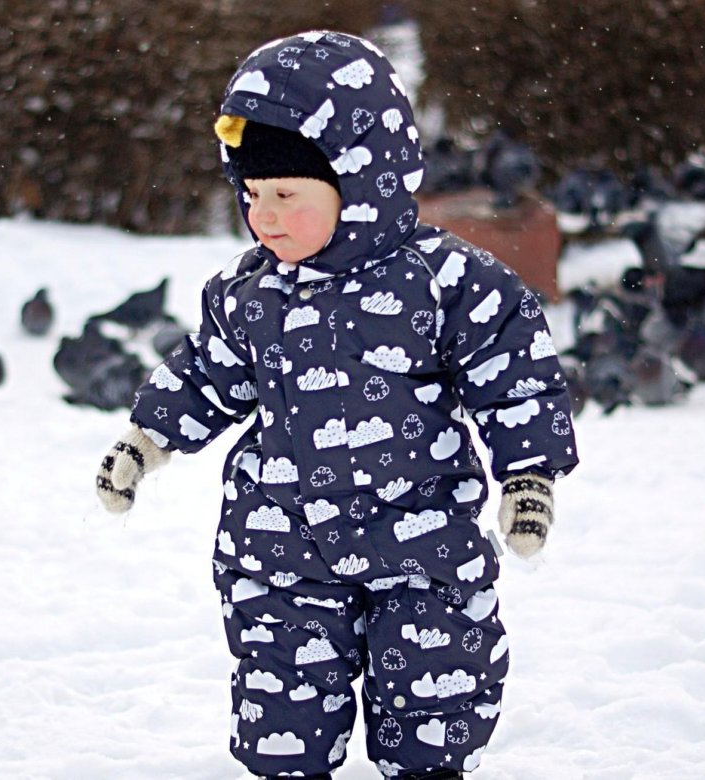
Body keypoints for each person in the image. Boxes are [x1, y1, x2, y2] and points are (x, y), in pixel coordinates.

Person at [96, 30, 579, 780]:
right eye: (251, 195)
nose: (265, 216)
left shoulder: (445, 282)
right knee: (281, 708)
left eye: (286, 195)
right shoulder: (248, 292)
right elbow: (205, 374)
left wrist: (528, 476)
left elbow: (513, 371)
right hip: (280, 548)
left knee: (436, 699)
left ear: (361, 180)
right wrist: (143, 443)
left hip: (421, 545)